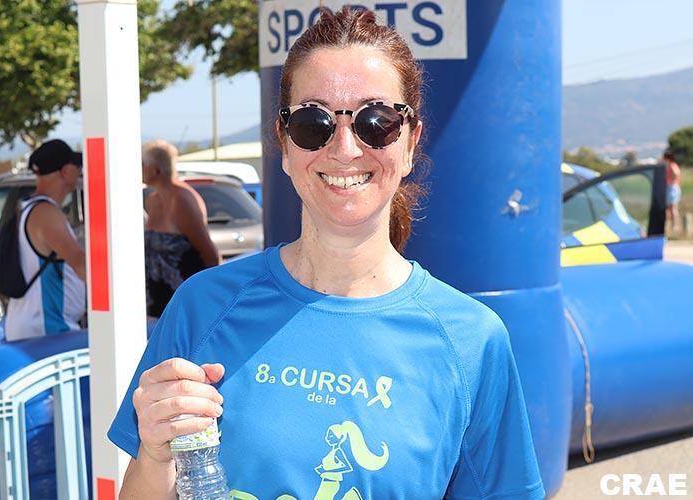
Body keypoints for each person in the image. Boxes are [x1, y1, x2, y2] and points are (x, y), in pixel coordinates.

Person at [109, 8, 545, 499]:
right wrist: (155, 454)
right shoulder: (205, 306)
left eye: (376, 121)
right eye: (313, 122)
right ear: (284, 142)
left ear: (410, 141)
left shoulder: (471, 340)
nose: (344, 148)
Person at [4, 139, 86, 341]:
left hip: (32, 326)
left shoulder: (30, 208)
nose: (79, 172)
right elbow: (82, 266)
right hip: (46, 329)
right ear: (65, 171)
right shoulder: (46, 213)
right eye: (77, 166)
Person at [142, 139, 221, 317]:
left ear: (155, 169)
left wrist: (211, 301)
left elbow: (209, 253)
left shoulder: (182, 200)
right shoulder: (153, 200)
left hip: (184, 304)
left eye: (142, 164)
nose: (139, 169)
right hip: (156, 303)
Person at [663, 151, 682, 232]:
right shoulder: (670, 165)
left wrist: (671, 180)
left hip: (672, 188)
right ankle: (672, 226)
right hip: (671, 188)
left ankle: (675, 226)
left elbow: (676, 173)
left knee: (673, 208)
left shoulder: (672, 165)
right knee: (670, 208)